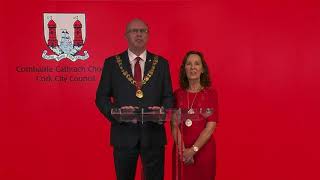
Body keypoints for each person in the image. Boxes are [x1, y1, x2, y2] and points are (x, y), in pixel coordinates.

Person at [95, 18, 174, 180]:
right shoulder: (112, 64)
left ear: (148, 35)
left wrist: (163, 111)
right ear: (126, 36)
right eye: (134, 31)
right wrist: (115, 113)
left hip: (154, 135)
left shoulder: (161, 64)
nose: (139, 34)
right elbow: (101, 97)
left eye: (143, 31)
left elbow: (168, 96)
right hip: (123, 135)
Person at [171, 51, 219, 180]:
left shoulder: (211, 94)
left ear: (202, 69)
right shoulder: (177, 94)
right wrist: (183, 152)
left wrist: (193, 150)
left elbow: (210, 127)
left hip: (204, 152)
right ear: (184, 69)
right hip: (181, 153)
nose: (193, 67)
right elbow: (174, 126)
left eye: (197, 64)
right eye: (189, 64)